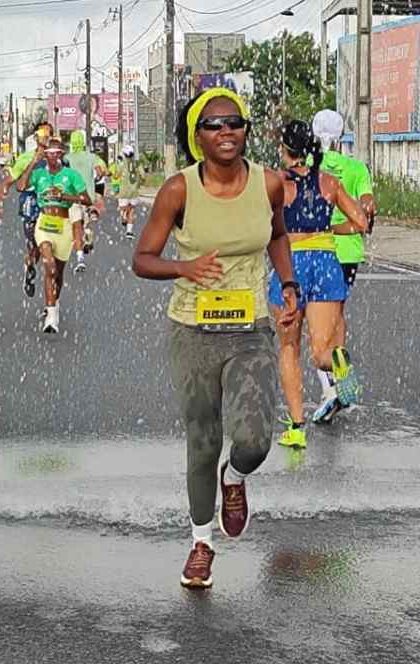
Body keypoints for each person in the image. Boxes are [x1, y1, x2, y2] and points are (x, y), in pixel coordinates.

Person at [132, 88, 299, 589]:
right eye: (214, 126)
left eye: (235, 123)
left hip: (250, 329)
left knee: (253, 439)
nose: (227, 132)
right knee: (202, 441)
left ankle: (237, 477)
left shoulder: (269, 183)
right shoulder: (178, 191)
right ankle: (201, 542)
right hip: (193, 331)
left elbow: (277, 235)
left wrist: (289, 285)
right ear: (197, 137)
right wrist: (183, 266)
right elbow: (142, 258)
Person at [271, 120, 368, 450]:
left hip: (292, 264)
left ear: (285, 150)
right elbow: (361, 222)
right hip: (327, 263)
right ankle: (340, 365)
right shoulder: (329, 182)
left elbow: (260, 223)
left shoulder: (277, 184)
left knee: (289, 347)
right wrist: (328, 233)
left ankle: (297, 429)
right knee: (320, 351)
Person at [308, 109, 376, 424]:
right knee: (337, 316)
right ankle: (342, 376)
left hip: (315, 252)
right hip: (348, 254)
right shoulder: (356, 168)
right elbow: (367, 209)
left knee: (314, 326)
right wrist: (348, 225)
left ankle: (331, 388)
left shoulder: (307, 169)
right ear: (341, 135)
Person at [16, 137, 92, 333]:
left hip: (63, 225)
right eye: (48, 153)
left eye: (56, 153)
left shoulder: (71, 175)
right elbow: (21, 186)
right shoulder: (39, 174)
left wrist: (65, 196)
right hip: (44, 223)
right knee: (48, 266)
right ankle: (50, 318)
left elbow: (86, 199)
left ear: (61, 155)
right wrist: (33, 161)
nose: (52, 157)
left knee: (58, 272)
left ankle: (54, 304)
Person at [0, 121, 53, 298]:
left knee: (50, 244)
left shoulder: (57, 158)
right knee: (34, 244)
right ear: (36, 137)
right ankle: (30, 266)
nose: (46, 137)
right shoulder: (25, 158)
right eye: (43, 133)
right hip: (30, 203)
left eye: (49, 133)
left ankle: (51, 289)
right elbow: (8, 183)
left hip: (51, 204)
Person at [65, 129, 108, 267]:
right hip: (88, 198)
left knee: (76, 226)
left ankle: (80, 258)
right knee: (86, 224)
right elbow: (102, 169)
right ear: (83, 143)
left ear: (72, 143)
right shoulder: (91, 157)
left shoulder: (67, 158)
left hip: (73, 198)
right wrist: (100, 175)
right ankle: (88, 236)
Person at [115, 144, 144, 239]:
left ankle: (123, 214)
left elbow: (116, 175)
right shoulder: (137, 163)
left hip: (124, 191)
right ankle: (129, 231)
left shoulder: (122, 163)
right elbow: (143, 176)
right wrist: (139, 183)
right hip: (134, 191)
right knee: (132, 211)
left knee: (123, 208)